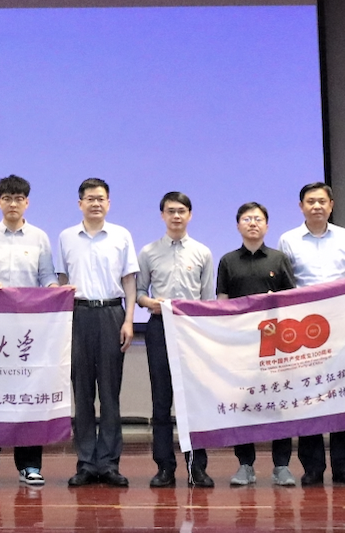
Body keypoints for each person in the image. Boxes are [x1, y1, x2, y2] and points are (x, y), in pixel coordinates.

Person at [0, 174, 56, 487]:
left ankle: (29, 465)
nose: (13, 204)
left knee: (27, 395)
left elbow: (47, 278)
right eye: (7, 198)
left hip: (28, 331)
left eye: (19, 198)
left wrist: (57, 291)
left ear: (27, 202)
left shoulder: (39, 238)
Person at [54, 177, 138, 487]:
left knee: (110, 393)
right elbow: (62, 280)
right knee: (83, 392)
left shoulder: (121, 235)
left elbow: (129, 281)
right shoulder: (66, 237)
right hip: (78, 315)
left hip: (112, 314)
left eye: (101, 198)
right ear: (80, 204)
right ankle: (87, 463)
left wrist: (129, 320)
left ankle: (110, 464)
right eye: (90, 198)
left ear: (109, 203)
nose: (95, 203)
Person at [278, 181, 345, 486]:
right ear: (301, 206)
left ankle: (344, 466)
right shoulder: (288, 240)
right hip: (304, 329)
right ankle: (312, 467)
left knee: (340, 393)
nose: (316, 206)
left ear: (331, 205)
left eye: (322, 201)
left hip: (339, 326)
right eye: (310, 201)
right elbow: (286, 284)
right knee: (308, 395)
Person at [137, 191, 216, 489]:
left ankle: (197, 468)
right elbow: (139, 292)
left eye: (181, 211)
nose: (176, 216)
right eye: (170, 211)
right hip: (159, 327)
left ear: (190, 215)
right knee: (161, 400)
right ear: (162, 215)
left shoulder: (202, 252)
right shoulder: (148, 252)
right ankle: (164, 468)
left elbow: (208, 298)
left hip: (191, 330)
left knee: (194, 401)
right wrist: (149, 303)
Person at [214, 201, 296, 487]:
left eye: (258, 219)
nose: (252, 223)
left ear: (267, 226)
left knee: (279, 401)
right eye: (247, 219)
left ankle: (281, 466)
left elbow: (291, 301)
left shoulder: (278, 258)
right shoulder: (227, 261)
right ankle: (245, 465)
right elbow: (222, 302)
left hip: (274, 343)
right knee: (243, 403)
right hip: (241, 345)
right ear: (238, 225)